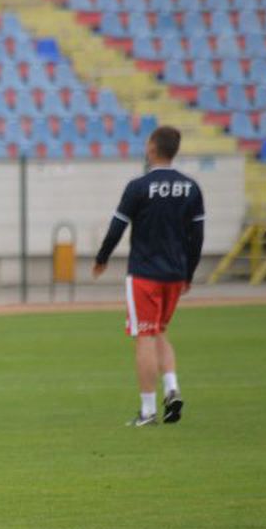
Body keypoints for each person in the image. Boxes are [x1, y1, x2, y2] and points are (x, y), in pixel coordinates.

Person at [93, 125, 205, 426]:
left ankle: (147, 411)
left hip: (144, 272)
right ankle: (172, 388)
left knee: (143, 335)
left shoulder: (139, 186)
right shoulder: (191, 188)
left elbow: (118, 227)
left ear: (153, 148)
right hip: (175, 273)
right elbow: (198, 235)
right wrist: (189, 273)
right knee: (158, 331)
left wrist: (102, 257)